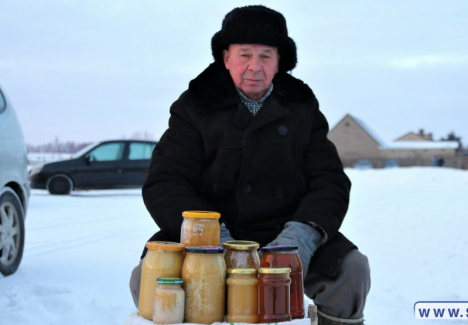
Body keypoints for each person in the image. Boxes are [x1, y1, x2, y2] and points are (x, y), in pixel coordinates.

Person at [129, 5, 371, 325]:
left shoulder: (302, 104)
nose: (254, 67)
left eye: (266, 55)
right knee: (145, 277)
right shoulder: (195, 105)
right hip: (212, 233)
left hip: (284, 232)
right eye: (245, 54)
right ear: (226, 58)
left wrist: (302, 236)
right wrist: (209, 237)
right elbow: (165, 181)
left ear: (279, 61)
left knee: (351, 270)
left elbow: (329, 180)